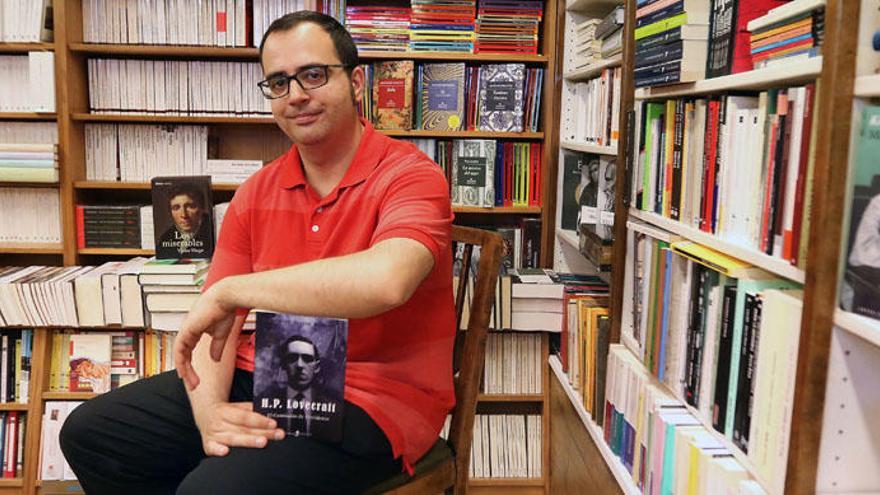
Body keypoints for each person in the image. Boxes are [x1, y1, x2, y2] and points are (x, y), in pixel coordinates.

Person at [59, 11, 455, 495]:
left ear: (354, 82)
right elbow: (216, 329)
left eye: (313, 74)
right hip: (268, 373)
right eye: (279, 82)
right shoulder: (257, 190)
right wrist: (210, 419)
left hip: (372, 397)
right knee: (92, 434)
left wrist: (232, 290)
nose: (297, 95)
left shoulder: (411, 175)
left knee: (211, 491)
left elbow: (389, 280)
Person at [257, 335, 337, 439]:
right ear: (284, 364)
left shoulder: (332, 406)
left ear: (316, 367)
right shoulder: (265, 401)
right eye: (292, 358)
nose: (299, 365)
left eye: (307, 359)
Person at [157, 182, 213, 258]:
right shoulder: (166, 238)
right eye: (176, 208)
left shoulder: (213, 234)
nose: (184, 215)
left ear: (201, 208)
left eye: (190, 206)